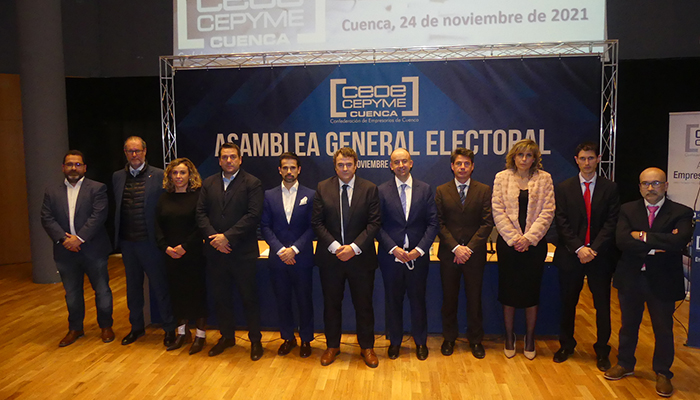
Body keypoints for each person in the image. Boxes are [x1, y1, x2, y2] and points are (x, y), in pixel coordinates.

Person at [604, 167, 692, 398]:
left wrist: (642, 236)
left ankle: (663, 372)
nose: (650, 188)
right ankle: (625, 363)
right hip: (631, 277)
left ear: (666, 186)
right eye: (645, 183)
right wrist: (657, 245)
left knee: (663, 329)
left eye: (656, 183)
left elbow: (678, 242)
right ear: (639, 186)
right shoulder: (627, 209)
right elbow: (622, 241)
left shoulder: (681, 212)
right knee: (628, 325)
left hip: (663, 280)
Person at [311, 147, 381, 368]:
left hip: (361, 259)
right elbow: (317, 223)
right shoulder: (323, 188)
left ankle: (367, 347)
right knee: (331, 305)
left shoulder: (369, 189)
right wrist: (335, 247)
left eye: (349, 164)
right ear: (335, 166)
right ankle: (332, 346)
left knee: (364, 305)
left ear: (356, 165)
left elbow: (374, 223)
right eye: (340, 165)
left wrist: (353, 248)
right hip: (331, 259)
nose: (345, 168)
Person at [553, 142, 620, 371]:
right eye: (583, 158)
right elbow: (561, 221)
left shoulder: (610, 188)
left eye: (591, 158)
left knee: (602, 305)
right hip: (571, 255)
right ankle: (566, 345)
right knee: (567, 303)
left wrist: (594, 249)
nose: (587, 162)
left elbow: (611, 222)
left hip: (600, 257)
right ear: (576, 160)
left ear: (598, 158)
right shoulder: (564, 188)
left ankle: (602, 350)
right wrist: (579, 248)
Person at [196, 142, 264, 360]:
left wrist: (227, 237)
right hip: (216, 253)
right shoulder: (208, 183)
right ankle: (227, 337)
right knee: (221, 298)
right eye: (225, 157)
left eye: (233, 157)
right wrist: (215, 239)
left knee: (249, 298)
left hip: (242, 252)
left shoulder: (252, 183)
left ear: (240, 159)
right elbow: (200, 214)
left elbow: (253, 215)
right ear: (219, 161)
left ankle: (255, 340)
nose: (229, 160)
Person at [40, 150, 114, 347]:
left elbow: (99, 216)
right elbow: (47, 218)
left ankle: (106, 326)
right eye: (70, 164)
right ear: (63, 167)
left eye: (78, 164)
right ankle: (75, 328)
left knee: (102, 290)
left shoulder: (97, 188)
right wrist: (65, 239)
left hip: (93, 249)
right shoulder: (51, 191)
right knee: (72, 293)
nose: (74, 168)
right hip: (65, 251)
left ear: (85, 168)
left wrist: (79, 239)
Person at [492, 139, 555, 360]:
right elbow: (497, 210)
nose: (524, 159)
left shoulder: (544, 179)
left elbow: (548, 211)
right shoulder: (502, 178)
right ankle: (509, 336)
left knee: (531, 292)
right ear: (513, 156)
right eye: (520, 155)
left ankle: (529, 337)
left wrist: (528, 238)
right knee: (508, 291)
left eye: (529, 155)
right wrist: (514, 239)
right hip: (508, 245)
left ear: (535, 158)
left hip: (534, 246)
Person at [377, 148, 439, 360]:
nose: (401, 165)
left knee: (418, 300)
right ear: (391, 166)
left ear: (411, 163)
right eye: (396, 162)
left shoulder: (425, 189)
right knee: (393, 301)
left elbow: (433, 223)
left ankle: (420, 342)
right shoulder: (381, 190)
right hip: (391, 258)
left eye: (404, 161)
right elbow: (376, 224)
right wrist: (393, 248)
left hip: (417, 258)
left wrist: (419, 250)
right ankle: (395, 342)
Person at [113, 136, 176, 346]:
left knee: (160, 287)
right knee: (133, 289)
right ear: (125, 153)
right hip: (127, 243)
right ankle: (137, 327)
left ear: (145, 151)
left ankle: (169, 329)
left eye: (137, 151)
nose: (134, 155)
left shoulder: (159, 175)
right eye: (130, 151)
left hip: (151, 243)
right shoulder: (117, 177)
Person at [435, 148, 494, 359]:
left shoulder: (483, 190)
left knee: (474, 299)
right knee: (449, 299)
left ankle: (475, 340)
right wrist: (455, 248)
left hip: (474, 255)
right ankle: (449, 338)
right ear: (452, 166)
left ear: (472, 166)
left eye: (466, 164)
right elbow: (438, 223)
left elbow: (487, 223)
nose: (462, 167)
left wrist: (468, 248)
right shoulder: (441, 190)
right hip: (449, 255)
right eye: (458, 163)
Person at [261, 152, 316, 358]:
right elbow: (265, 226)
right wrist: (280, 250)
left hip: (302, 258)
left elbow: (313, 227)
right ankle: (287, 338)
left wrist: (295, 249)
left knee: (304, 301)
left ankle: (306, 339)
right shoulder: (269, 195)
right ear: (279, 170)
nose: (289, 171)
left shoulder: (310, 195)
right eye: (285, 168)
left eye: (293, 168)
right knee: (282, 301)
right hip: (278, 259)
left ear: (299, 170)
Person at [155, 158, 208, 355]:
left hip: (193, 254)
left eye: (182, 172)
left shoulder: (199, 197)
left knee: (197, 295)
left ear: (190, 175)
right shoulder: (164, 198)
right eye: (174, 173)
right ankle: (182, 334)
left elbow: (200, 226)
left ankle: (200, 335)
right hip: (170, 255)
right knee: (177, 295)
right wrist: (165, 247)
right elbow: (157, 226)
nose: (178, 176)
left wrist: (185, 247)